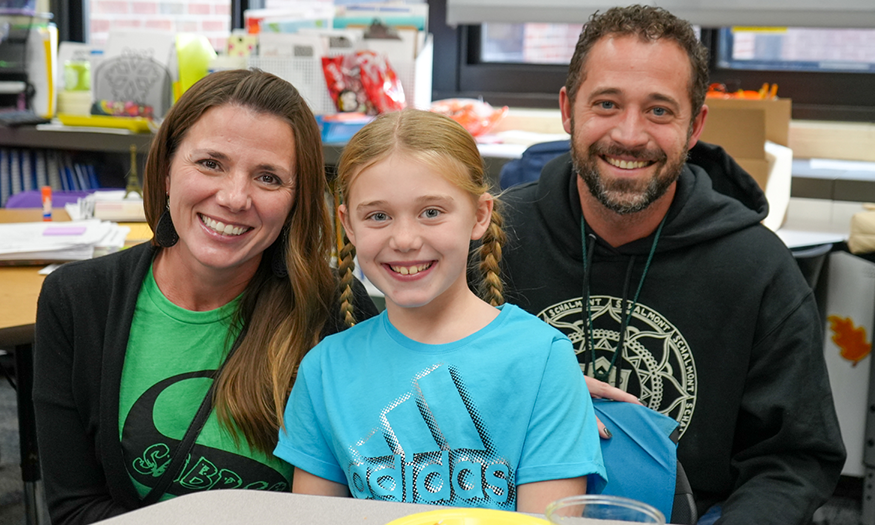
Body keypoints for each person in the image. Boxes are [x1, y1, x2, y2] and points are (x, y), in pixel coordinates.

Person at [498, 5, 846, 525]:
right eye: (607, 104)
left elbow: (794, 458)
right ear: (569, 110)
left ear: (695, 125)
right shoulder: (495, 241)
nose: (630, 135)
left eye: (659, 111)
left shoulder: (758, 268)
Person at [32, 69, 378, 525]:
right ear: (167, 171)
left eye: (269, 178)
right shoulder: (77, 300)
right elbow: (75, 508)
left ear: (297, 201)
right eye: (210, 163)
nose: (235, 198)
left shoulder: (335, 310)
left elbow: (368, 496)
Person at [274, 109, 606, 513]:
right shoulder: (324, 370)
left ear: (480, 215)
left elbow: (546, 520)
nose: (405, 239)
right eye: (378, 216)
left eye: (431, 212)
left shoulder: (542, 358)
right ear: (348, 225)